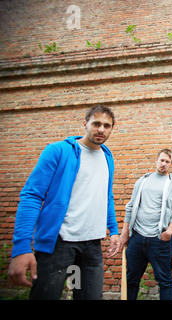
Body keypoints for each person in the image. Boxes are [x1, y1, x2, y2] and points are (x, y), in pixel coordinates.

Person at [8, 105, 120, 300]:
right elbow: (32, 196)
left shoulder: (107, 157)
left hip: (92, 244)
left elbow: (106, 196)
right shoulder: (58, 151)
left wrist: (114, 230)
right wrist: (21, 246)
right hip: (59, 242)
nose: (101, 129)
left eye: (106, 125)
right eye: (96, 123)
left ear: (111, 128)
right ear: (85, 124)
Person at [120, 149, 172, 300]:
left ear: (171, 164)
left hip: (160, 239)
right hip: (137, 237)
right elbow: (130, 206)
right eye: (161, 160)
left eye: (167, 162)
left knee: (165, 281)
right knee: (131, 280)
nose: (163, 164)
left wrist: (169, 230)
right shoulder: (143, 180)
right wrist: (125, 232)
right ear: (156, 160)